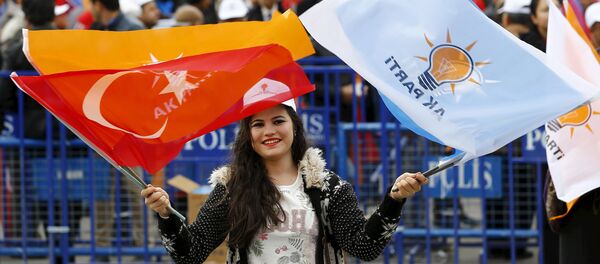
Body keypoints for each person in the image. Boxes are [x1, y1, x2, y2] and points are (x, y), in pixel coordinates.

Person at [141, 101, 429, 263]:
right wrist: (166, 215)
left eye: (278, 121)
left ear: (295, 127)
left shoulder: (328, 187)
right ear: (248, 135)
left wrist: (394, 201)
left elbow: (365, 247)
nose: (269, 131)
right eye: (258, 124)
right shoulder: (231, 188)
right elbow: (190, 254)